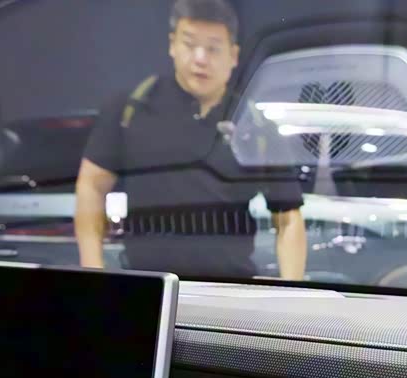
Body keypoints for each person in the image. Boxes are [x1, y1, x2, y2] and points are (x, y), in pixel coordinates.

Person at [74, 0, 307, 280]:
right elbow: (91, 185)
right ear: (172, 44)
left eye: (213, 48)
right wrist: (93, 273)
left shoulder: (255, 126)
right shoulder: (130, 109)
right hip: (149, 287)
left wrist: (292, 290)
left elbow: (288, 217)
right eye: (189, 44)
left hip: (229, 288)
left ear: (233, 55)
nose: (200, 58)